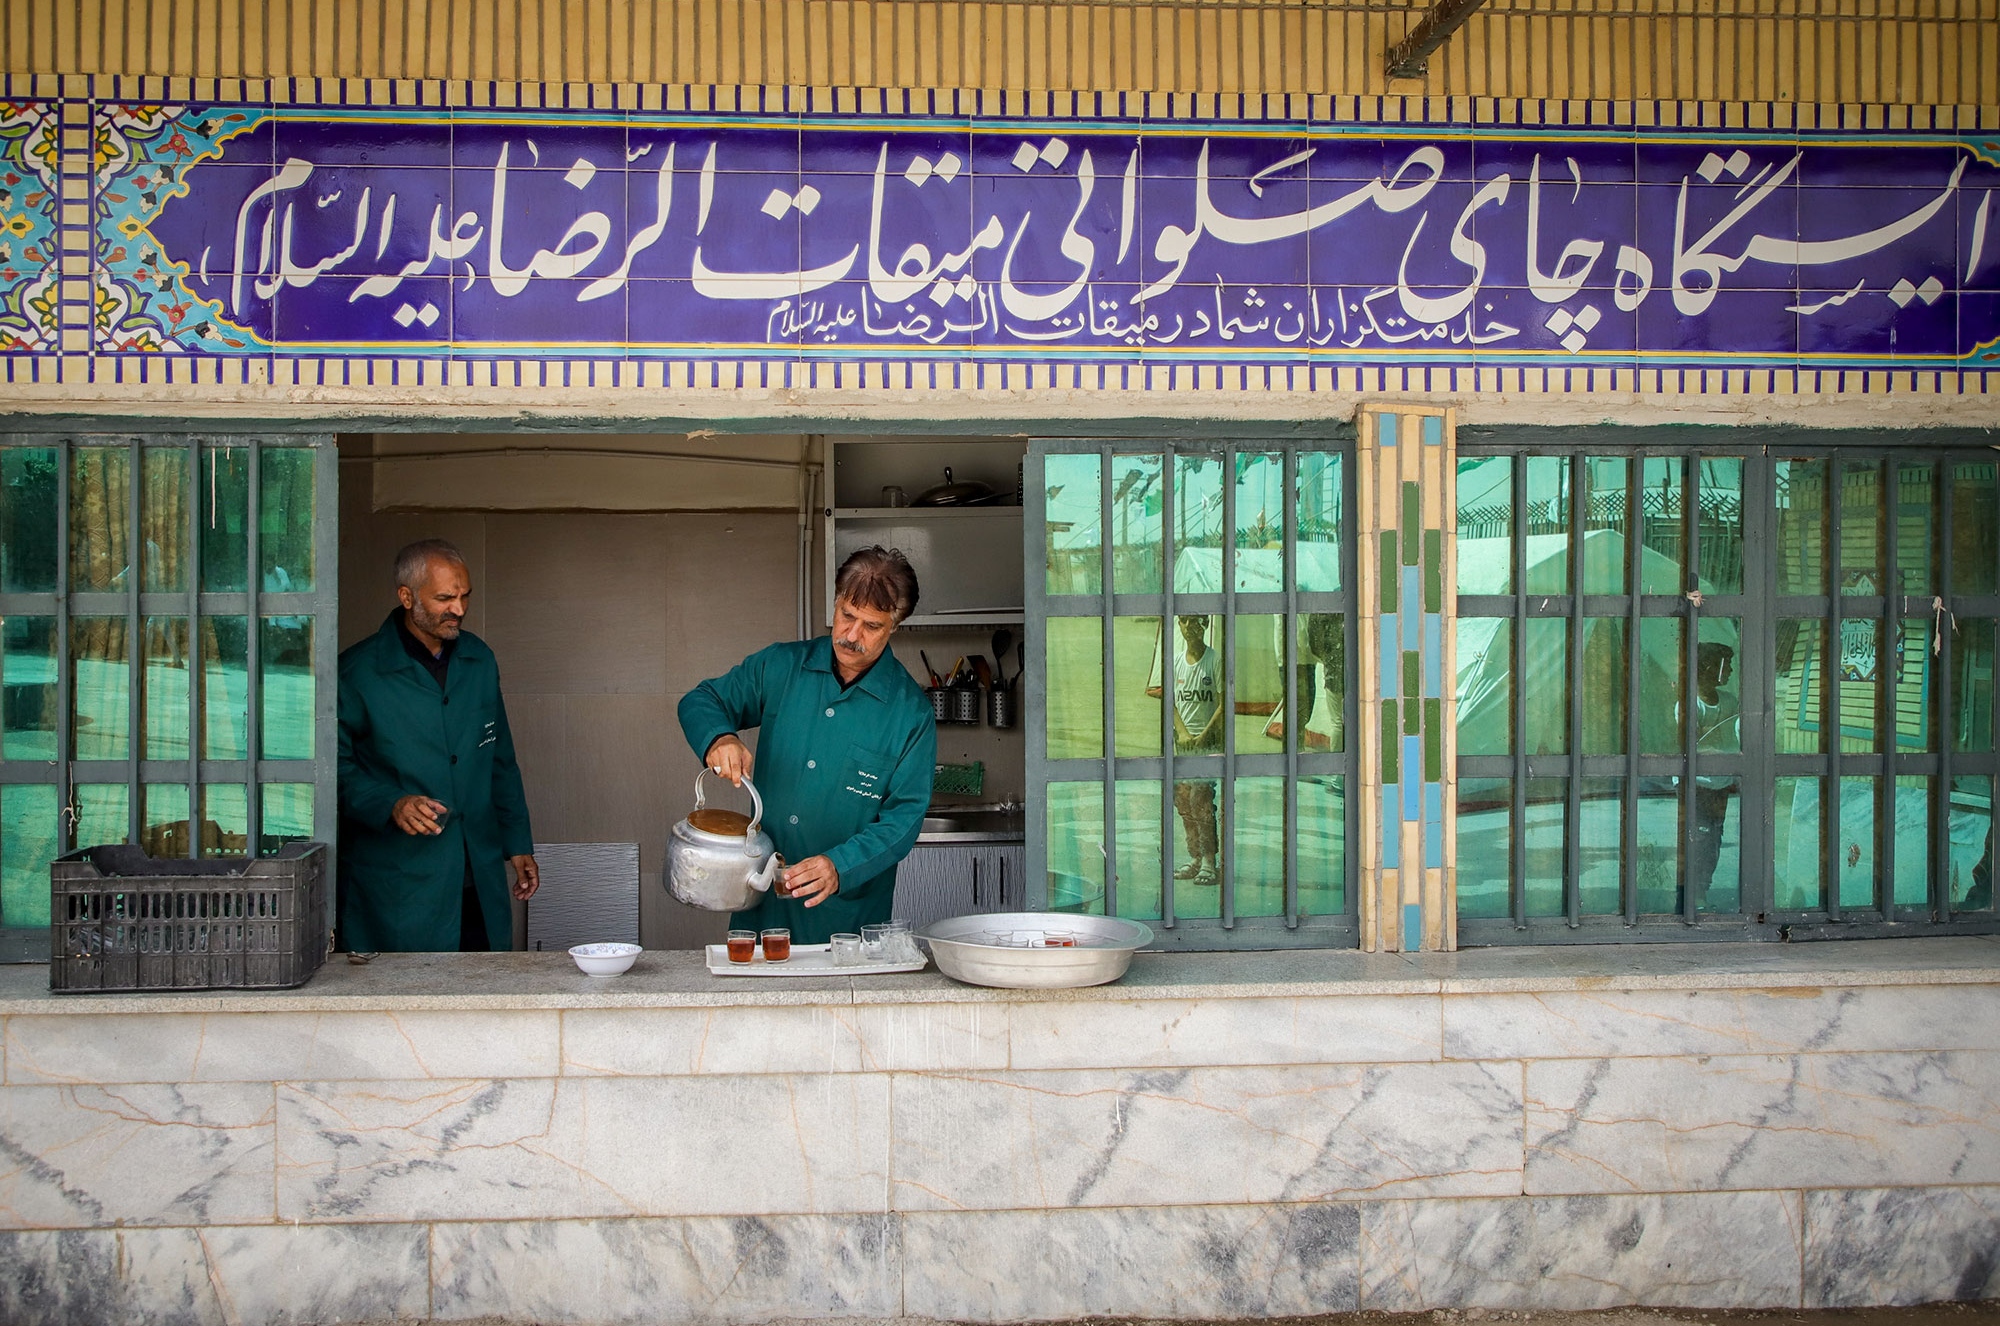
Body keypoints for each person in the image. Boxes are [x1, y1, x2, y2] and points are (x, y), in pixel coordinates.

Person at [679, 546, 937, 945]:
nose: (852, 636)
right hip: (762, 907)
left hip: (845, 919)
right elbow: (701, 700)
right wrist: (719, 737)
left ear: (895, 626)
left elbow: (903, 821)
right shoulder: (780, 666)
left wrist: (840, 865)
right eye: (847, 616)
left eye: (871, 625)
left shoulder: (910, 713)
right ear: (835, 604)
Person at [337, 539, 539, 951]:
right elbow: (331, 772)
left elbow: (500, 759)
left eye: (465, 596)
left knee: (483, 995)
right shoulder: (356, 672)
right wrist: (390, 803)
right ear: (407, 597)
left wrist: (517, 844)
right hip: (399, 883)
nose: (460, 610)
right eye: (445, 598)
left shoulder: (479, 660)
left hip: (477, 873)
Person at [1683, 641, 1741, 906]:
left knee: (1715, 836)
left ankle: (1703, 888)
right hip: (1698, 784)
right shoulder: (1690, 705)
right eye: (1725, 664)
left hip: (1720, 783)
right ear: (1708, 668)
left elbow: (1737, 735)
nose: (1730, 669)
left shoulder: (1730, 702)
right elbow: (1684, 745)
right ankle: (1693, 892)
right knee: (1700, 836)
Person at [1170, 615, 1223, 886]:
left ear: (1205, 625)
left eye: (1196, 622)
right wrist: (1182, 732)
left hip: (1207, 745)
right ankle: (1195, 857)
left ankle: (1209, 861)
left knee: (1201, 803)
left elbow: (1224, 705)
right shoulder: (1176, 662)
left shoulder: (1215, 661)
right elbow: (1170, 703)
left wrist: (1203, 736)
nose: (1190, 628)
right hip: (1182, 746)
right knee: (1184, 803)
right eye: (1185, 622)